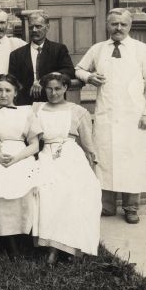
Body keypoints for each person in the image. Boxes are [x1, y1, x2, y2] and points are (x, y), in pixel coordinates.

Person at [75, 8, 146, 224]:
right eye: (114, 24)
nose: (118, 28)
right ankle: (107, 206)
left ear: (129, 25)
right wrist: (89, 76)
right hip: (107, 115)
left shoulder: (142, 50)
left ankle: (131, 207)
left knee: (132, 161)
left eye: (123, 24)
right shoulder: (98, 49)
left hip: (134, 117)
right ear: (108, 25)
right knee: (104, 160)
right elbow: (78, 69)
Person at [33, 73, 102, 264]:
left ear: (65, 88)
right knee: (50, 191)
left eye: (57, 88)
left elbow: (88, 144)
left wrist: (93, 164)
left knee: (77, 190)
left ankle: (71, 245)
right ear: (44, 89)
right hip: (46, 155)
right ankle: (52, 247)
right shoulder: (37, 108)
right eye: (49, 88)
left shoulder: (78, 111)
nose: (53, 93)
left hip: (71, 155)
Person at [0, 74, 42, 258]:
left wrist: (16, 158)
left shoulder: (26, 111)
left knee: (24, 182)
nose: (3, 94)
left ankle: (23, 234)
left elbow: (35, 144)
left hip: (20, 154)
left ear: (15, 92)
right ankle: (8, 241)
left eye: (8, 90)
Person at [8, 11, 75, 105]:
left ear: (47, 27)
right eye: (31, 27)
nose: (34, 30)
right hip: (26, 103)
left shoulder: (58, 49)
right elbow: (13, 81)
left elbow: (70, 71)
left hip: (52, 101)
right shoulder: (16, 55)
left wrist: (44, 80)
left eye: (38, 26)